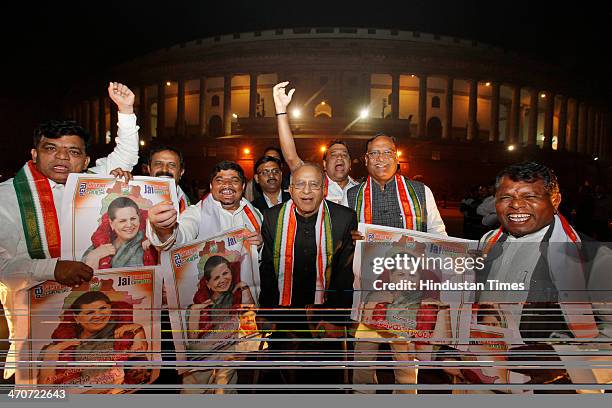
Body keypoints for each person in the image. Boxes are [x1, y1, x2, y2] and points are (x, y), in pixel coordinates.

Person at [0, 82, 141, 381]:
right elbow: (4, 270)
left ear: (86, 161)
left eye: (72, 151)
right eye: (51, 148)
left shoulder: (91, 183)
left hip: (97, 320)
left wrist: (126, 111)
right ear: (34, 154)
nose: (62, 157)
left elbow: (126, 156)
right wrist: (53, 268)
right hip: (34, 325)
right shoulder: (6, 198)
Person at [477, 161, 612, 389]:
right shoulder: (486, 243)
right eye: (506, 197)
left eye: (530, 197)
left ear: (555, 200)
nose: (516, 205)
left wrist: (564, 359)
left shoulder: (593, 258)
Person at [347, 133, 447, 392]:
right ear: (366, 159)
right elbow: (338, 241)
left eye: (387, 152)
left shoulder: (420, 192)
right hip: (369, 291)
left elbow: (439, 234)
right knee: (362, 361)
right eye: (374, 153)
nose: (381, 158)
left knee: (404, 362)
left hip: (408, 290)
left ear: (397, 156)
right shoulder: (351, 195)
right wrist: (349, 238)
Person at [258, 162, 357, 389]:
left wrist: (336, 319)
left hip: (325, 314)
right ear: (290, 190)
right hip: (285, 314)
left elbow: (345, 273)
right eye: (300, 185)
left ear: (324, 190)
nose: (306, 191)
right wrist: (266, 313)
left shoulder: (344, 218)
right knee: (281, 382)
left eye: (314, 185)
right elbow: (268, 270)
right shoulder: (272, 217)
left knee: (323, 381)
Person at [37, 291, 149, 389]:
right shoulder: (61, 345)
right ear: (76, 318)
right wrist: (53, 352)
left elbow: (141, 373)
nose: (98, 316)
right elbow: (45, 390)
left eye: (103, 309)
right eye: (90, 312)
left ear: (110, 309)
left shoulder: (125, 334)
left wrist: (139, 331)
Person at [272, 82, 359, 205]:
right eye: (333, 155)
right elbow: (291, 158)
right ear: (324, 164)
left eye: (344, 155)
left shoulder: (361, 190)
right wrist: (281, 111)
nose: (340, 157)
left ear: (350, 164)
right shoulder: (315, 182)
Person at [182, 255, 255, 394]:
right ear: (208, 284)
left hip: (229, 358)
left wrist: (244, 288)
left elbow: (249, 324)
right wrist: (195, 313)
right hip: (202, 365)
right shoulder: (199, 305)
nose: (223, 280)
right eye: (216, 278)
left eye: (225, 273)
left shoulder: (237, 294)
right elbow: (193, 341)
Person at [82, 197, 157, 269]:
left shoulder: (150, 242)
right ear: (111, 224)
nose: (129, 225)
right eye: (122, 221)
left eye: (133, 219)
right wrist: (93, 258)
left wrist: (155, 240)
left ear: (139, 219)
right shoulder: (98, 247)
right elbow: (88, 280)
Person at [143, 144, 191, 213]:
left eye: (172, 165)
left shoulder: (194, 207)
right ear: (149, 169)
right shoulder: (134, 199)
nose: (164, 170)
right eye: (158, 164)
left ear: (181, 172)